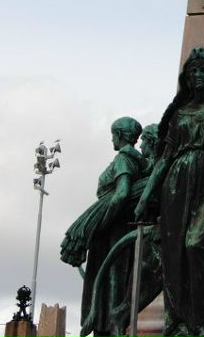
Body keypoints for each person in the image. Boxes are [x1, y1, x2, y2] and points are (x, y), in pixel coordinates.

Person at [134, 48, 204, 337]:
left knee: (197, 244)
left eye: (202, 70)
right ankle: (180, 320)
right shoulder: (180, 113)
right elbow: (165, 158)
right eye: (192, 71)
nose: (197, 75)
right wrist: (146, 197)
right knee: (175, 252)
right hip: (177, 182)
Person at [61, 117, 147, 337]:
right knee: (115, 283)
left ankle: (105, 328)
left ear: (119, 135)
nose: (111, 139)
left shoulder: (123, 159)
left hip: (111, 232)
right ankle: (109, 326)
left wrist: (101, 224)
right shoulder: (138, 162)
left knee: (108, 284)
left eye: (112, 135)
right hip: (120, 229)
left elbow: (122, 193)